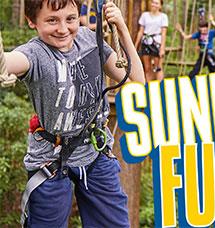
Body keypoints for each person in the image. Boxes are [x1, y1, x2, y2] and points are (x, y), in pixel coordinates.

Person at [2, 0, 144, 227]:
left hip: (95, 152)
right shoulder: (36, 54)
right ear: (32, 22)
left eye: (70, 18)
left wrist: (122, 28)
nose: (62, 28)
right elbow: (11, 61)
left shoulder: (90, 40)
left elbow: (137, 80)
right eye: (51, 20)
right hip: (51, 160)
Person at [176, 14, 215, 80]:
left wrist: (212, 22)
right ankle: (191, 82)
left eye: (204, 30)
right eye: (201, 30)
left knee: (212, 72)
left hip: (209, 54)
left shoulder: (211, 32)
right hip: (202, 55)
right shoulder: (198, 34)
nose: (203, 32)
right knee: (194, 71)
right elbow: (186, 37)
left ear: (207, 28)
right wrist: (180, 30)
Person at [134, 0, 168, 82]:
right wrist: (135, 46)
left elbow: (163, 33)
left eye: (156, 3)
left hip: (157, 42)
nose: (154, 4)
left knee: (158, 68)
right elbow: (140, 31)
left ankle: (161, 88)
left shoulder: (163, 16)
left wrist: (162, 48)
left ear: (160, 6)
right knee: (147, 68)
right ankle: (148, 88)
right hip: (146, 42)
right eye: (153, 2)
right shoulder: (145, 15)